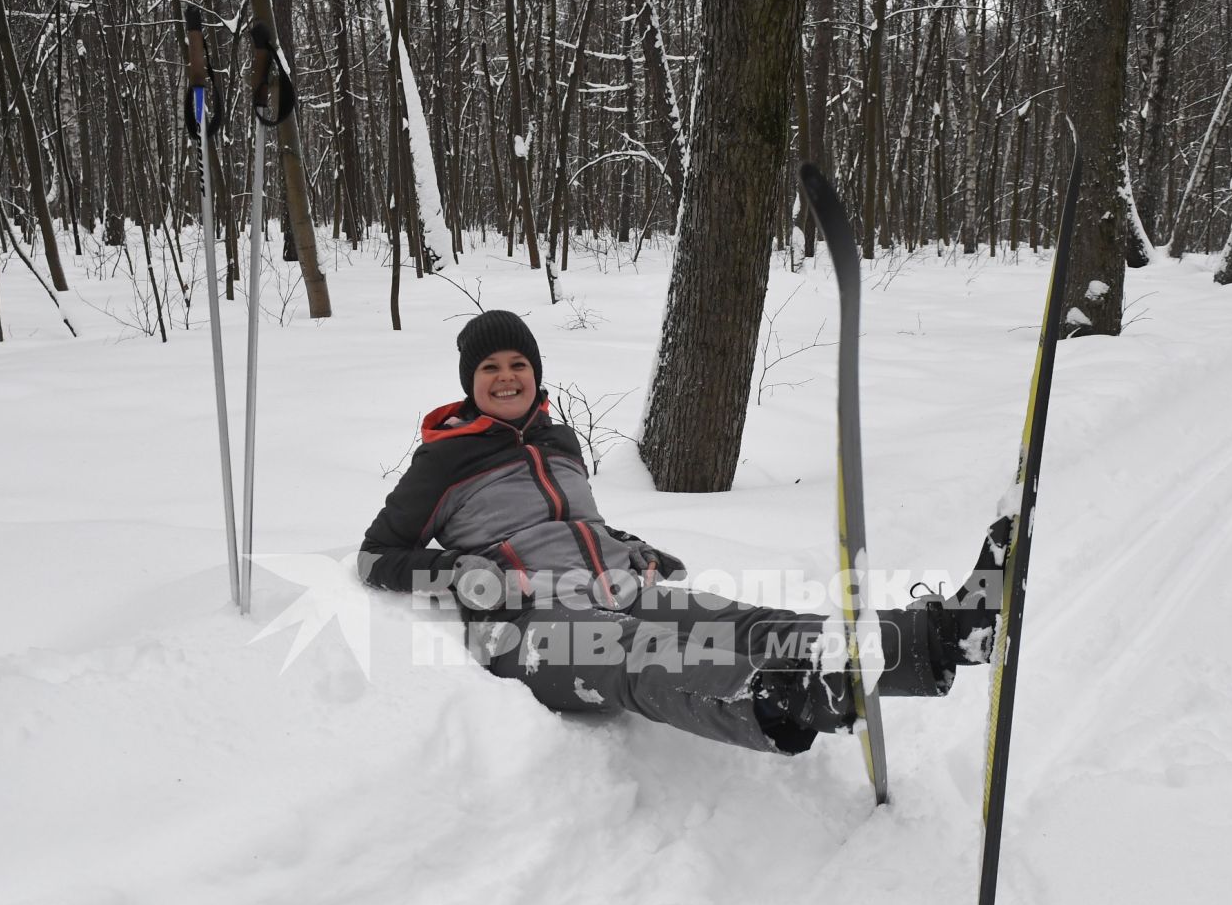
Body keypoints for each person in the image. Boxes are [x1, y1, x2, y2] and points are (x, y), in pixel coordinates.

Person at [358, 310, 1003, 755]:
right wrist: (459, 575)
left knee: (748, 623)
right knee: (638, 653)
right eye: (490, 367)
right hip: (528, 624)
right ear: (469, 383)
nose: (506, 377)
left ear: (536, 371)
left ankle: (942, 637)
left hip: (613, 586)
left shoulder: (559, 441)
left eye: (518, 363)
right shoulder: (442, 460)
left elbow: (577, 524)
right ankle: (779, 696)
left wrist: (629, 548)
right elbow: (375, 556)